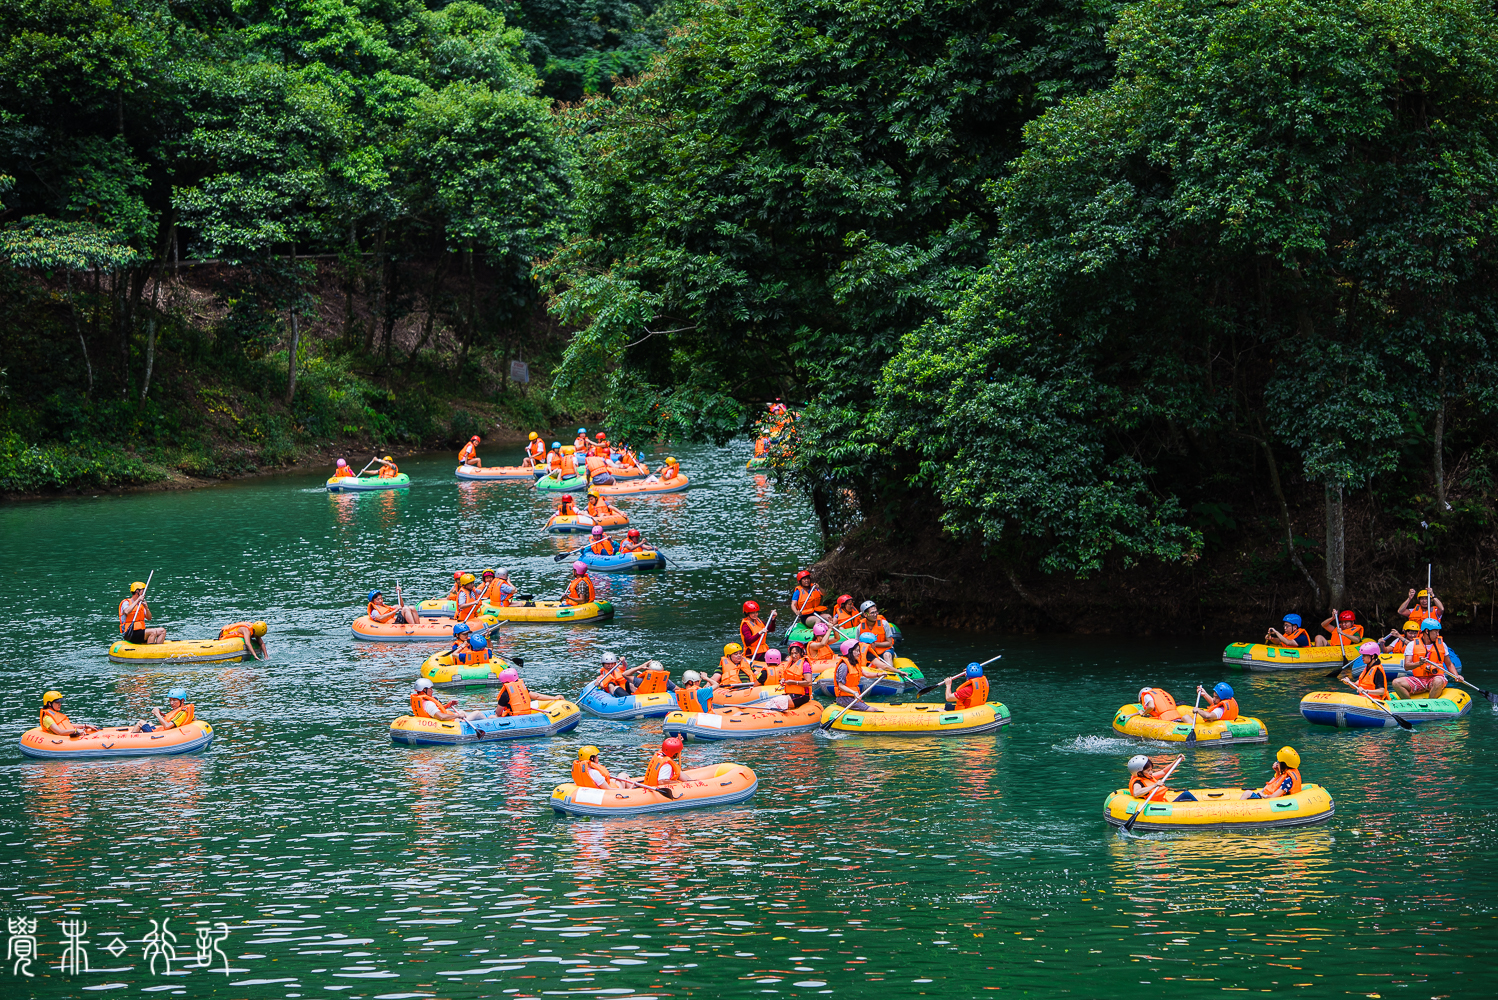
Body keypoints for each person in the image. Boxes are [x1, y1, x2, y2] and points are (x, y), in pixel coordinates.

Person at [1394, 619, 1463, 698]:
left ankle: (1430, 703)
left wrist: (1456, 676)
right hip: (1419, 679)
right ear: (1427, 631)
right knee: (1396, 682)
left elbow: (1449, 664)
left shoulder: (1442, 645)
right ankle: (1409, 704)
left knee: (1438, 681)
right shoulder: (1412, 645)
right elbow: (1407, 666)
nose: (1438, 634)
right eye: (1435, 632)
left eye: (1438, 631)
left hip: (1436, 678)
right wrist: (1419, 663)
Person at [832, 640, 883, 711]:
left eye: (859, 651)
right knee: (874, 710)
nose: (859, 653)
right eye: (856, 651)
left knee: (875, 709)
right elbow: (840, 685)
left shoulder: (854, 664)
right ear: (849, 652)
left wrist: (879, 674)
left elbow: (867, 674)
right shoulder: (844, 666)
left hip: (852, 697)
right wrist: (854, 692)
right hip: (844, 698)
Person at [1128, 755, 1195, 802]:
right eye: (1148, 770)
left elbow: (1164, 772)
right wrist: (1154, 785)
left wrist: (1176, 761)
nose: (1151, 772)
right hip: (1156, 806)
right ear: (1139, 773)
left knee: (1186, 795)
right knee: (1186, 794)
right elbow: (1136, 793)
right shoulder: (1137, 782)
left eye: (1151, 769)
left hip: (1161, 802)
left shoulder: (1148, 776)